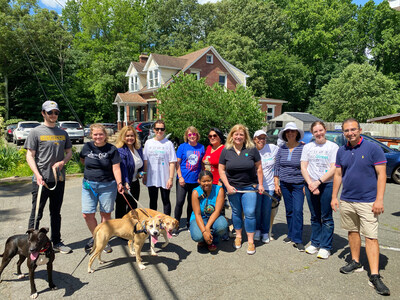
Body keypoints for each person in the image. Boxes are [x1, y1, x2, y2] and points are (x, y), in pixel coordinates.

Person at [331, 118, 390, 296]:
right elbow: (339, 174)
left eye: (353, 129)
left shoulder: (374, 149)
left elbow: (382, 175)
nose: (350, 133)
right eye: (347, 131)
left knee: (371, 237)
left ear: (360, 130)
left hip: (368, 201)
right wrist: (334, 196)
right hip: (348, 199)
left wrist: (379, 199)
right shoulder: (342, 151)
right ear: (344, 133)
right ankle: (355, 261)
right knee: (352, 231)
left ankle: (374, 274)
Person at [25, 100, 73, 254]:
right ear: (43, 113)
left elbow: (69, 152)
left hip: (58, 179)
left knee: (55, 212)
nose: (53, 115)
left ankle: (56, 242)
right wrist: (38, 175)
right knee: (36, 213)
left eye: (56, 112)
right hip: (41, 181)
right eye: (50, 112)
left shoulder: (62, 133)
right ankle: (31, 245)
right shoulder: (36, 132)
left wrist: (62, 162)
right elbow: (29, 156)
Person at [219, 124, 264, 255]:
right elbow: (222, 170)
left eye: (241, 134)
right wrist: (227, 186)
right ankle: (238, 237)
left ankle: (250, 241)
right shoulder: (226, 150)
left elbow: (259, 168)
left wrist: (260, 185)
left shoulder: (252, 149)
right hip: (233, 188)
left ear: (245, 137)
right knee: (236, 212)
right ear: (232, 136)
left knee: (250, 213)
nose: (238, 137)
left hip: (249, 187)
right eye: (236, 134)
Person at [80, 123, 124, 253]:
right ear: (91, 135)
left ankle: (103, 241)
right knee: (87, 214)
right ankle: (97, 237)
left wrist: (119, 183)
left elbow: (116, 167)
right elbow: (83, 160)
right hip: (88, 185)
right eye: (95, 134)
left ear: (105, 135)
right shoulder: (87, 147)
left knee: (105, 214)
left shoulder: (112, 149)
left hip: (107, 185)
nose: (98, 136)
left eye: (101, 134)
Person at [300, 121, 338, 259]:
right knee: (315, 215)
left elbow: (334, 168)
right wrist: (310, 183)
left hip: (326, 184)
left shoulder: (333, 147)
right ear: (312, 133)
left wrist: (319, 182)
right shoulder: (308, 147)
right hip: (310, 184)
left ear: (325, 130)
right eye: (315, 131)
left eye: (320, 130)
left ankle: (325, 246)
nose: (319, 133)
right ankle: (315, 243)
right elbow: (304, 166)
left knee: (326, 217)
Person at [274, 122, 305, 251]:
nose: (290, 133)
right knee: (289, 210)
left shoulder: (303, 148)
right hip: (285, 184)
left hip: (299, 184)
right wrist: (276, 183)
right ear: (285, 134)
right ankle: (291, 234)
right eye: (288, 132)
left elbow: (307, 167)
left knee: (298, 211)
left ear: (297, 133)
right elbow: (277, 167)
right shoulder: (282, 149)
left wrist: (306, 184)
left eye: (292, 131)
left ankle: (298, 239)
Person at [142, 120, 177, 215]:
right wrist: (144, 175)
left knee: (166, 200)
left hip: (164, 177)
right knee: (153, 201)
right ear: (154, 130)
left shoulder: (168, 144)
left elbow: (172, 162)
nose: (159, 131)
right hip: (152, 177)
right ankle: (153, 222)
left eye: (162, 129)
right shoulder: (149, 143)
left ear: (164, 130)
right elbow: (145, 160)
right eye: (157, 129)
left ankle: (167, 222)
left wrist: (170, 178)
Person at [190, 170, 228, 252]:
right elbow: (197, 214)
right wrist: (204, 232)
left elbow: (217, 211)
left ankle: (213, 240)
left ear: (212, 180)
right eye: (204, 181)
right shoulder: (195, 192)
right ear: (199, 181)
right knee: (197, 236)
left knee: (222, 225)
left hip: (214, 217)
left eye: (209, 180)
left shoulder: (219, 190)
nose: (206, 183)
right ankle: (203, 239)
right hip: (200, 218)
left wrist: (207, 228)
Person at [175, 126, 205, 231]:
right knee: (179, 201)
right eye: (189, 134)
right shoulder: (182, 147)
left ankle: (189, 223)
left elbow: (202, 164)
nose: (192, 136)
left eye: (194, 134)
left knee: (192, 203)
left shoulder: (201, 147)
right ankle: (176, 224)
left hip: (195, 181)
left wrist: (201, 178)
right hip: (183, 179)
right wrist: (180, 177)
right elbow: (177, 163)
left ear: (197, 136)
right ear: (186, 136)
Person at [253, 130, 279, 244]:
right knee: (257, 209)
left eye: (264, 138)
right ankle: (257, 230)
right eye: (259, 138)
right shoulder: (251, 151)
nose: (261, 140)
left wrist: (301, 145)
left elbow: (285, 149)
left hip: (269, 186)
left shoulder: (272, 148)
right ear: (254, 139)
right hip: (256, 185)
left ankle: (265, 232)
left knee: (267, 210)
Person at [115, 125, 144, 218]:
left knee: (133, 208)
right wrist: (125, 182)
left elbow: (140, 163)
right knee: (121, 209)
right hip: (124, 183)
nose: (130, 138)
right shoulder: (121, 151)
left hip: (135, 182)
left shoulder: (138, 149)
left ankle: (131, 229)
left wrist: (141, 172)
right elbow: (123, 168)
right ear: (123, 137)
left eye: (132, 136)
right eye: (127, 136)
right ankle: (119, 231)